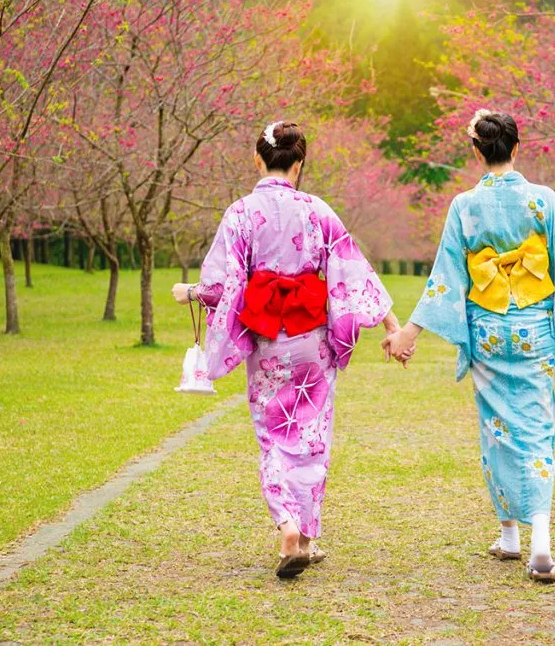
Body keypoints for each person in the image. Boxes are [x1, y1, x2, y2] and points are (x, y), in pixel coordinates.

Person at [383, 110, 555, 583]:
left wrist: (411, 331)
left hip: (489, 330)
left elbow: (447, 274)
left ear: (476, 151)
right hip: (534, 330)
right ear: (517, 147)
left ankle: (510, 533)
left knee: (497, 430)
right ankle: (540, 540)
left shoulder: (465, 205)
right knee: (535, 428)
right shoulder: (543, 200)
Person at [172, 121, 410, 579]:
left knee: (273, 434)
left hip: (267, 341)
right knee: (311, 435)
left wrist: (192, 292)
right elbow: (352, 268)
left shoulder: (241, 212)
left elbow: (224, 283)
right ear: (298, 165)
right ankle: (305, 538)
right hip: (312, 343)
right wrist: (392, 325)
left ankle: (286, 524)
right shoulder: (318, 210)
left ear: (257, 160)